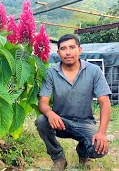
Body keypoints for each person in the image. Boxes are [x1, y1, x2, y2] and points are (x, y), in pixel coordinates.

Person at [35, 34, 112, 170]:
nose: (68, 52)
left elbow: (104, 102)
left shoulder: (94, 71)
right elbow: (43, 102)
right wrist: (49, 113)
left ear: (79, 50)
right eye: (63, 49)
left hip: (84, 123)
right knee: (41, 120)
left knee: (99, 149)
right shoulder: (50, 72)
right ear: (58, 53)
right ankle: (58, 158)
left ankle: (83, 152)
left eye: (72, 47)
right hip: (60, 122)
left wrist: (102, 132)